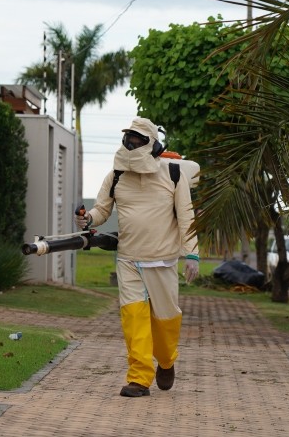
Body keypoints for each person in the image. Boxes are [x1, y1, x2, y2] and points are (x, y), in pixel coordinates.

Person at [75, 117, 199, 397]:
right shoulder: (116, 175)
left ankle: (166, 362)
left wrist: (192, 254)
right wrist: (87, 219)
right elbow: (102, 211)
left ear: (153, 144)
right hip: (128, 259)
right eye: (127, 138)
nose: (130, 143)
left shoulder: (174, 173)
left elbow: (186, 216)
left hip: (163, 260)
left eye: (137, 139)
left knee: (166, 321)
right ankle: (139, 377)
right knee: (134, 318)